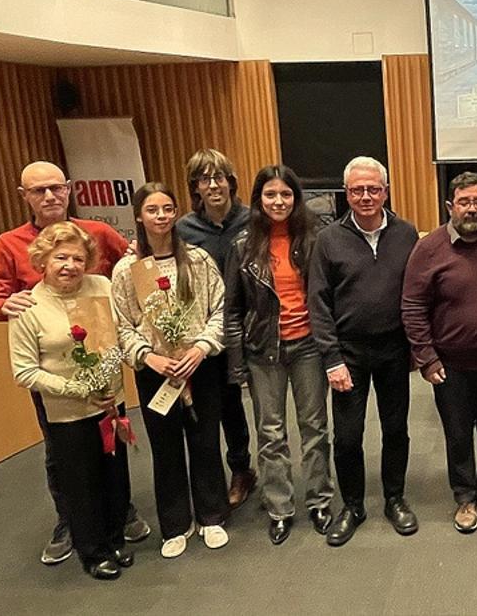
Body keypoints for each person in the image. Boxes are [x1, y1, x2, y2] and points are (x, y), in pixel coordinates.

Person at [0, 160, 149, 565]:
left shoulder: (98, 237)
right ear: (23, 196)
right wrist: (5, 306)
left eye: (56, 188)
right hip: (58, 378)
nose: (49, 196)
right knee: (67, 459)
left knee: (111, 456)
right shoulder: (10, 244)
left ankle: (115, 522)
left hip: (106, 381)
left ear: (69, 189)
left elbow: (134, 264)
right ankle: (74, 526)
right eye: (38, 190)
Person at [8, 222, 133, 580]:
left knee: (115, 476)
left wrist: (108, 380)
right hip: (67, 412)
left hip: (110, 403)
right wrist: (78, 388)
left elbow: (118, 336)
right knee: (82, 483)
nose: (70, 265)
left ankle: (114, 538)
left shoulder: (102, 287)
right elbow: (24, 372)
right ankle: (92, 552)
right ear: (43, 261)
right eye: (61, 257)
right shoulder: (28, 306)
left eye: (79, 258)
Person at [112, 183, 231, 559]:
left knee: (205, 440)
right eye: (153, 210)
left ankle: (211, 515)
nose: (161, 216)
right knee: (165, 449)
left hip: (200, 366)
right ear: (139, 217)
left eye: (167, 209)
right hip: (156, 371)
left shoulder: (197, 260)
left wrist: (200, 347)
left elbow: (221, 310)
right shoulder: (126, 271)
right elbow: (121, 325)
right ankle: (176, 523)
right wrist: (149, 356)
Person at [308, 157, 420, 546]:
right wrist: (331, 359)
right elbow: (318, 304)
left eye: (374, 189)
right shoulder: (328, 240)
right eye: (357, 190)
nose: (366, 196)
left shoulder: (407, 234)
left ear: (386, 191)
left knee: (396, 429)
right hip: (348, 354)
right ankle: (352, 506)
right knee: (348, 437)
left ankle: (395, 499)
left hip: (393, 349)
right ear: (347, 194)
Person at [402, 171, 477, 533]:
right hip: (449, 365)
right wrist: (426, 356)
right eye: (465, 202)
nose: (472, 209)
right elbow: (412, 305)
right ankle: (466, 497)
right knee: (457, 433)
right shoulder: (429, 248)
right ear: (450, 206)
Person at [224, 165, 335, 545]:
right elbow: (233, 311)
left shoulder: (315, 238)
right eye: (270, 195)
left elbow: (325, 296)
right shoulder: (242, 245)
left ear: (296, 198)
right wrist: (236, 363)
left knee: (314, 429)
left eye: (286, 194)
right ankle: (280, 508)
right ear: (258, 200)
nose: (278, 201)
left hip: (308, 346)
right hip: (262, 350)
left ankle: (320, 501)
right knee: (270, 434)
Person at [175, 149, 258, 509]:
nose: (213, 185)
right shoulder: (183, 229)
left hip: (248, 326)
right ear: (195, 187)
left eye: (219, 177)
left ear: (231, 182)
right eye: (204, 179)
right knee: (221, 406)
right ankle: (231, 473)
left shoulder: (254, 220)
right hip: (204, 332)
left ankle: (254, 470)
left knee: (257, 405)